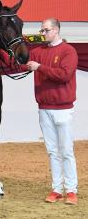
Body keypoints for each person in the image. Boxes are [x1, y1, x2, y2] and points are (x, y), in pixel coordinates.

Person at [26, 18, 79, 205]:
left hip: (63, 108)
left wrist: (40, 67)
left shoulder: (68, 51)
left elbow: (64, 75)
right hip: (44, 108)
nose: (43, 33)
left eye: (45, 30)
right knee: (52, 151)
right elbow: (18, 61)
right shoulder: (38, 51)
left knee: (66, 150)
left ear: (56, 30)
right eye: (42, 30)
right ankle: (57, 189)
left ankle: (71, 190)